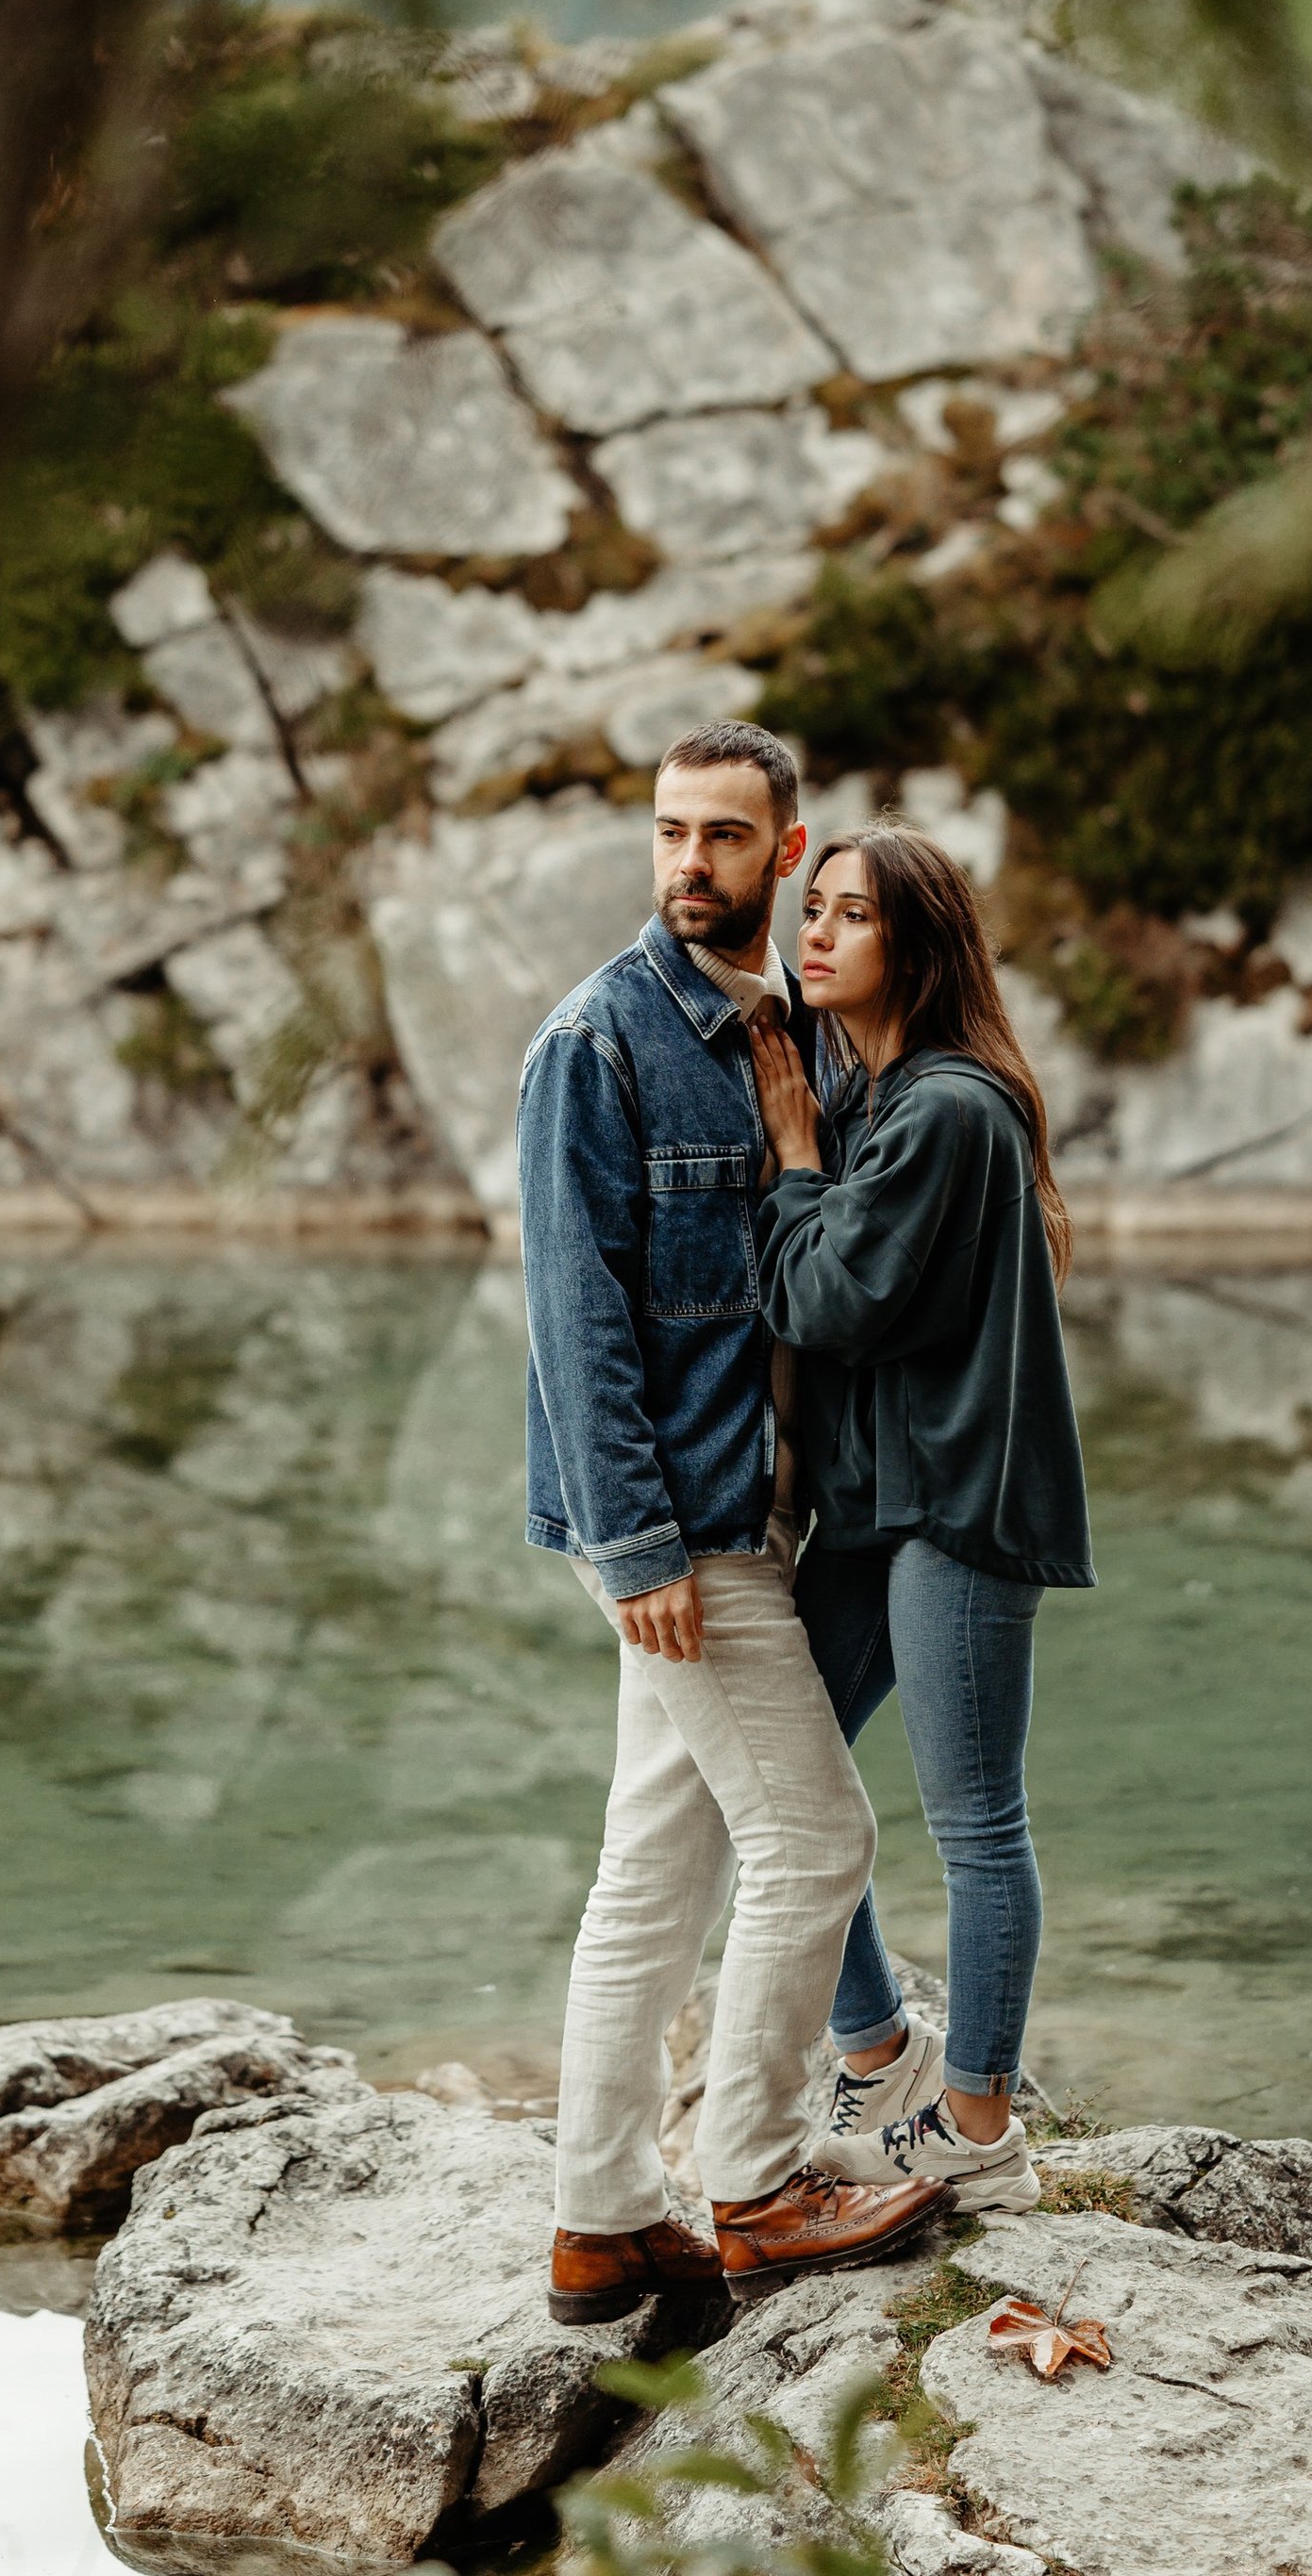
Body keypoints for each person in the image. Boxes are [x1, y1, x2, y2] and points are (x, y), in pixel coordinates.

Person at [521, 722, 953, 2320]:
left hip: (763, 1516)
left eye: (721, 835)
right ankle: (758, 2189)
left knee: (655, 1864)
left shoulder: (796, 1030)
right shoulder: (599, 1042)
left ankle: (603, 2223)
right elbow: (575, 1322)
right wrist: (635, 1551)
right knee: (816, 1840)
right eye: (668, 831)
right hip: (681, 1533)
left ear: (786, 851)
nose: (689, 862)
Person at [748, 820, 1093, 2218]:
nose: (817, 933)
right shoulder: (881, 1097)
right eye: (813, 909)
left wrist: (790, 1160)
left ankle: (977, 2126)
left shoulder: (948, 1108)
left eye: (855, 915)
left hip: (955, 1507)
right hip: (877, 1510)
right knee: (782, 1778)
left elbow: (826, 1299)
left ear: (921, 944)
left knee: (976, 1821)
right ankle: (879, 2052)